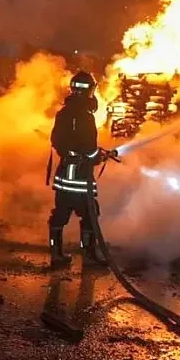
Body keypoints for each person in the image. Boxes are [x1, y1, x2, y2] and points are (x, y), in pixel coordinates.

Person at [46, 71, 111, 268]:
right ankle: (88, 255)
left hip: (64, 176)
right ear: (90, 90)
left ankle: (56, 254)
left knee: (60, 215)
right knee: (90, 214)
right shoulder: (85, 116)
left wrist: (77, 154)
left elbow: (57, 141)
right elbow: (88, 149)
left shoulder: (64, 113)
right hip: (80, 179)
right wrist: (98, 156)